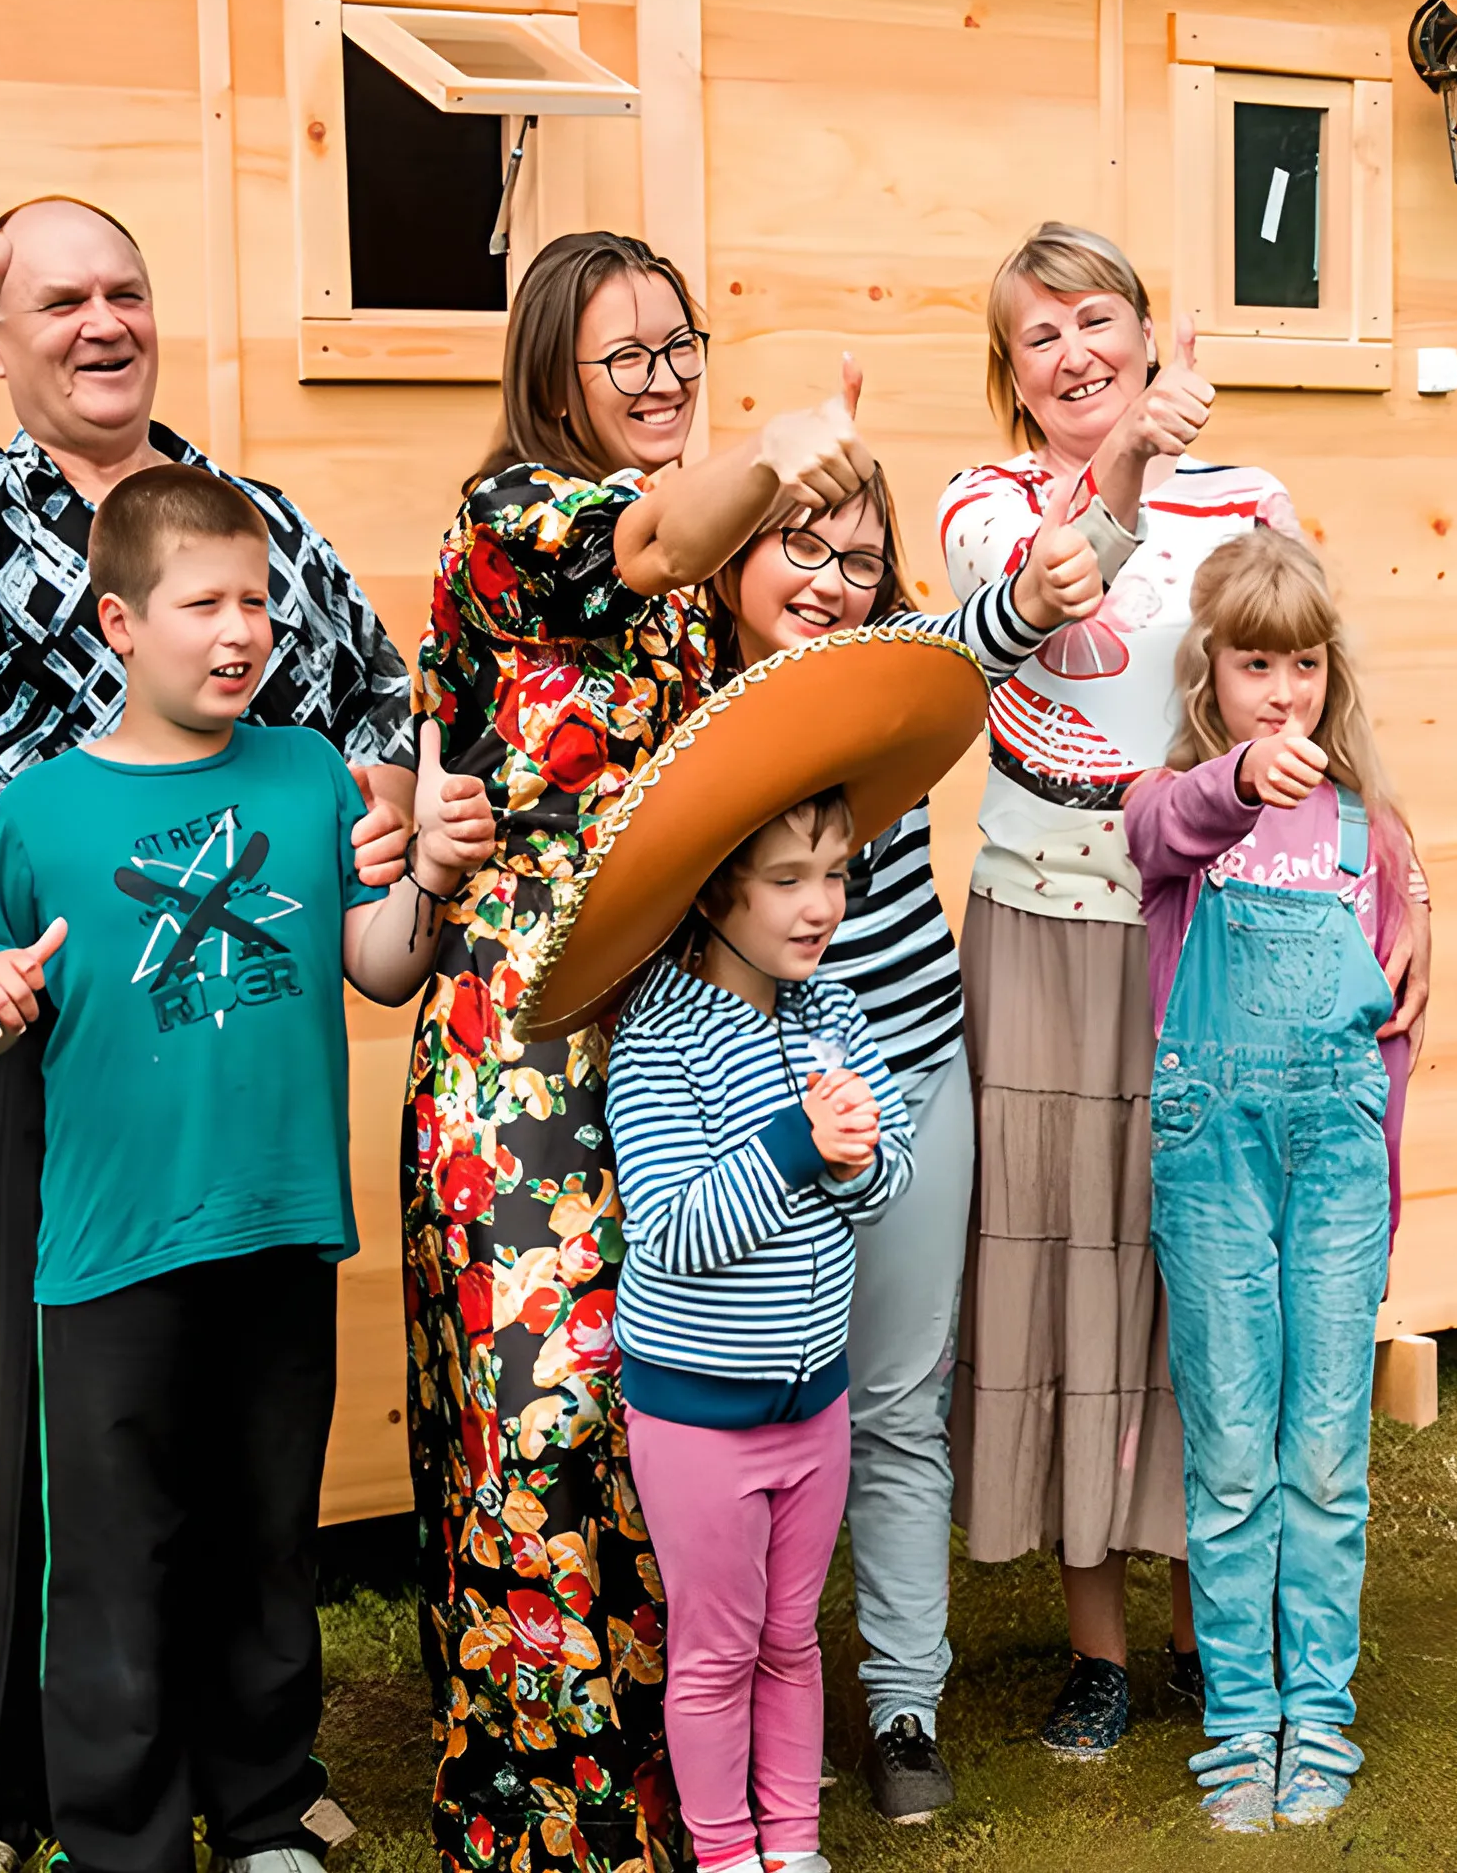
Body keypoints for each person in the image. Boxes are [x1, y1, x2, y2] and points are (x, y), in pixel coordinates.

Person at [0, 197, 413, 1873]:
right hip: (15, 1015)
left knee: (225, 1453)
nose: (101, 321)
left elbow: (374, 699)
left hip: (223, 1050)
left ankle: (251, 1780)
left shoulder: (245, 522)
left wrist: (380, 824)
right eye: (59, 299)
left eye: (125, 290)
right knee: (32, 1439)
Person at [0, 467, 496, 1873]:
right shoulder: (40, 813)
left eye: (256, 600)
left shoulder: (307, 775)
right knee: (113, 1570)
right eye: (203, 604)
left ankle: (261, 1814)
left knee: (265, 1547)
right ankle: (122, 1843)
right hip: (110, 1258)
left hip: (282, 1230)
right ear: (120, 623)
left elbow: (380, 967)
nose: (239, 629)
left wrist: (429, 877)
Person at [404, 229, 881, 1873]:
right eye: (628, 354)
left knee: (657, 1422)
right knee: (536, 1430)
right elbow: (661, 531)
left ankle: (696, 1808)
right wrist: (777, 450)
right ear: (553, 373)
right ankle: (545, 1824)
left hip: (669, 1030)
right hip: (519, 1054)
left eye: (683, 346)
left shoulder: (690, 582)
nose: (665, 376)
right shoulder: (516, 518)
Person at [939, 220, 1423, 1760]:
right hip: (1042, 930)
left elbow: (1319, 713)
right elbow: (1048, 597)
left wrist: (1404, 887)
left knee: (1195, 1278)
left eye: (1097, 319)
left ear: (1146, 334)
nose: (1073, 353)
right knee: (1068, 1269)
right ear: (1010, 375)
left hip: (1223, 946)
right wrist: (1131, 467)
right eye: (1038, 336)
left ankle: (1206, 1632)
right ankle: (1092, 1646)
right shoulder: (982, 503)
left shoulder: (1253, 500)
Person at [708, 467, 1102, 1818]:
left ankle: (902, 1706)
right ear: (732, 556)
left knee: (893, 1404)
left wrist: (1048, 573)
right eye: (799, 548)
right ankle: (754, 1697)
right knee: (746, 1412)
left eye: (861, 558)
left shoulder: (896, 670)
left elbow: (994, 625)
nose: (830, 581)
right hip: (744, 1099)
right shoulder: (684, 695)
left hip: (915, 1077)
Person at [1124, 530, 1423, 1833]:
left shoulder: (1372, 832)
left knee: (1326, 1457)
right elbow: (1169, 823)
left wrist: (1385, 1196)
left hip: (1338, 1172)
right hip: (1211, 1171)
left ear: (1328, 671)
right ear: (1210, 671)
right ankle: (1240, 1722)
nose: (1283, 692)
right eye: (1255, 665)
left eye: (1303, 664)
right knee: (1235, 1453)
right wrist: (1240, 777)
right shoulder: (1176, 813)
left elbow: (1391, 1038)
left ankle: (1321, 1715)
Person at [607, 788, 910, 1873]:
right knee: (717, 1650)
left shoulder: (837, 1014)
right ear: (714, 891)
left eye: (834, 876)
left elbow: (889, 1181)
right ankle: (726, 1850)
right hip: (700, 1418)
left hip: (813, 1406)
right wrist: (796, 1146)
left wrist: (861, 1161)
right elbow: (674, 1226)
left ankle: (795, 1845)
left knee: (790, 1638)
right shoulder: (660, 1035)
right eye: (787, 880)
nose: (821, 905)